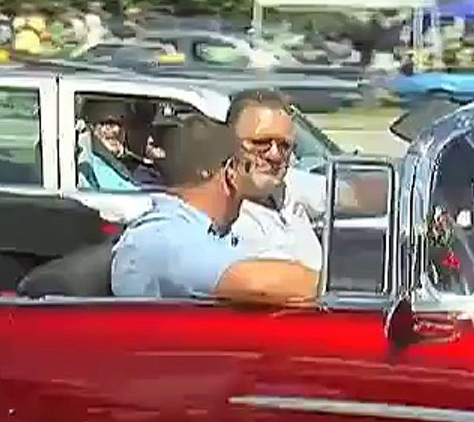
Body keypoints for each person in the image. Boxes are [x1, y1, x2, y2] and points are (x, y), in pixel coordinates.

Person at [111, 114, 318, 305]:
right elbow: (255, 284)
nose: (269, 163)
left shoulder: (211, 230)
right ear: (229, 171)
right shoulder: (165, 236)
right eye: (247, 163)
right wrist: (331, 283)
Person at [226, 89, 324, 272]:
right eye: (261, 142)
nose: (275, 155)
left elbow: (354, 194)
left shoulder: (285, 184)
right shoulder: (222, 215)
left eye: (284, 146)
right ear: (228, 142)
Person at [76, 99, 139, 191]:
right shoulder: (87, 168)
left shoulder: (133, 165)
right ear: (91, 126)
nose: (116, 130)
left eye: (121, 123)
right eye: (109, 123)